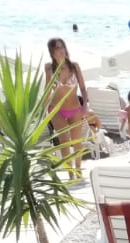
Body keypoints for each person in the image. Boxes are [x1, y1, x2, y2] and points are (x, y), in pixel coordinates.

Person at [44, 38, 90, 178]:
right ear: (52, 52)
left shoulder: (74, 66)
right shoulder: (49, 68)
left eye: (62, 47)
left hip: (75, 108)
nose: (61, 50)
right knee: (64, 141)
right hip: (56, 109)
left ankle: (78, 170)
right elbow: (47, 90)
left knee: (76, 140)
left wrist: (85, 105)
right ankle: (70, 173)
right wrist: (42, 109)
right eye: (57, 48)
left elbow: (83, 88)